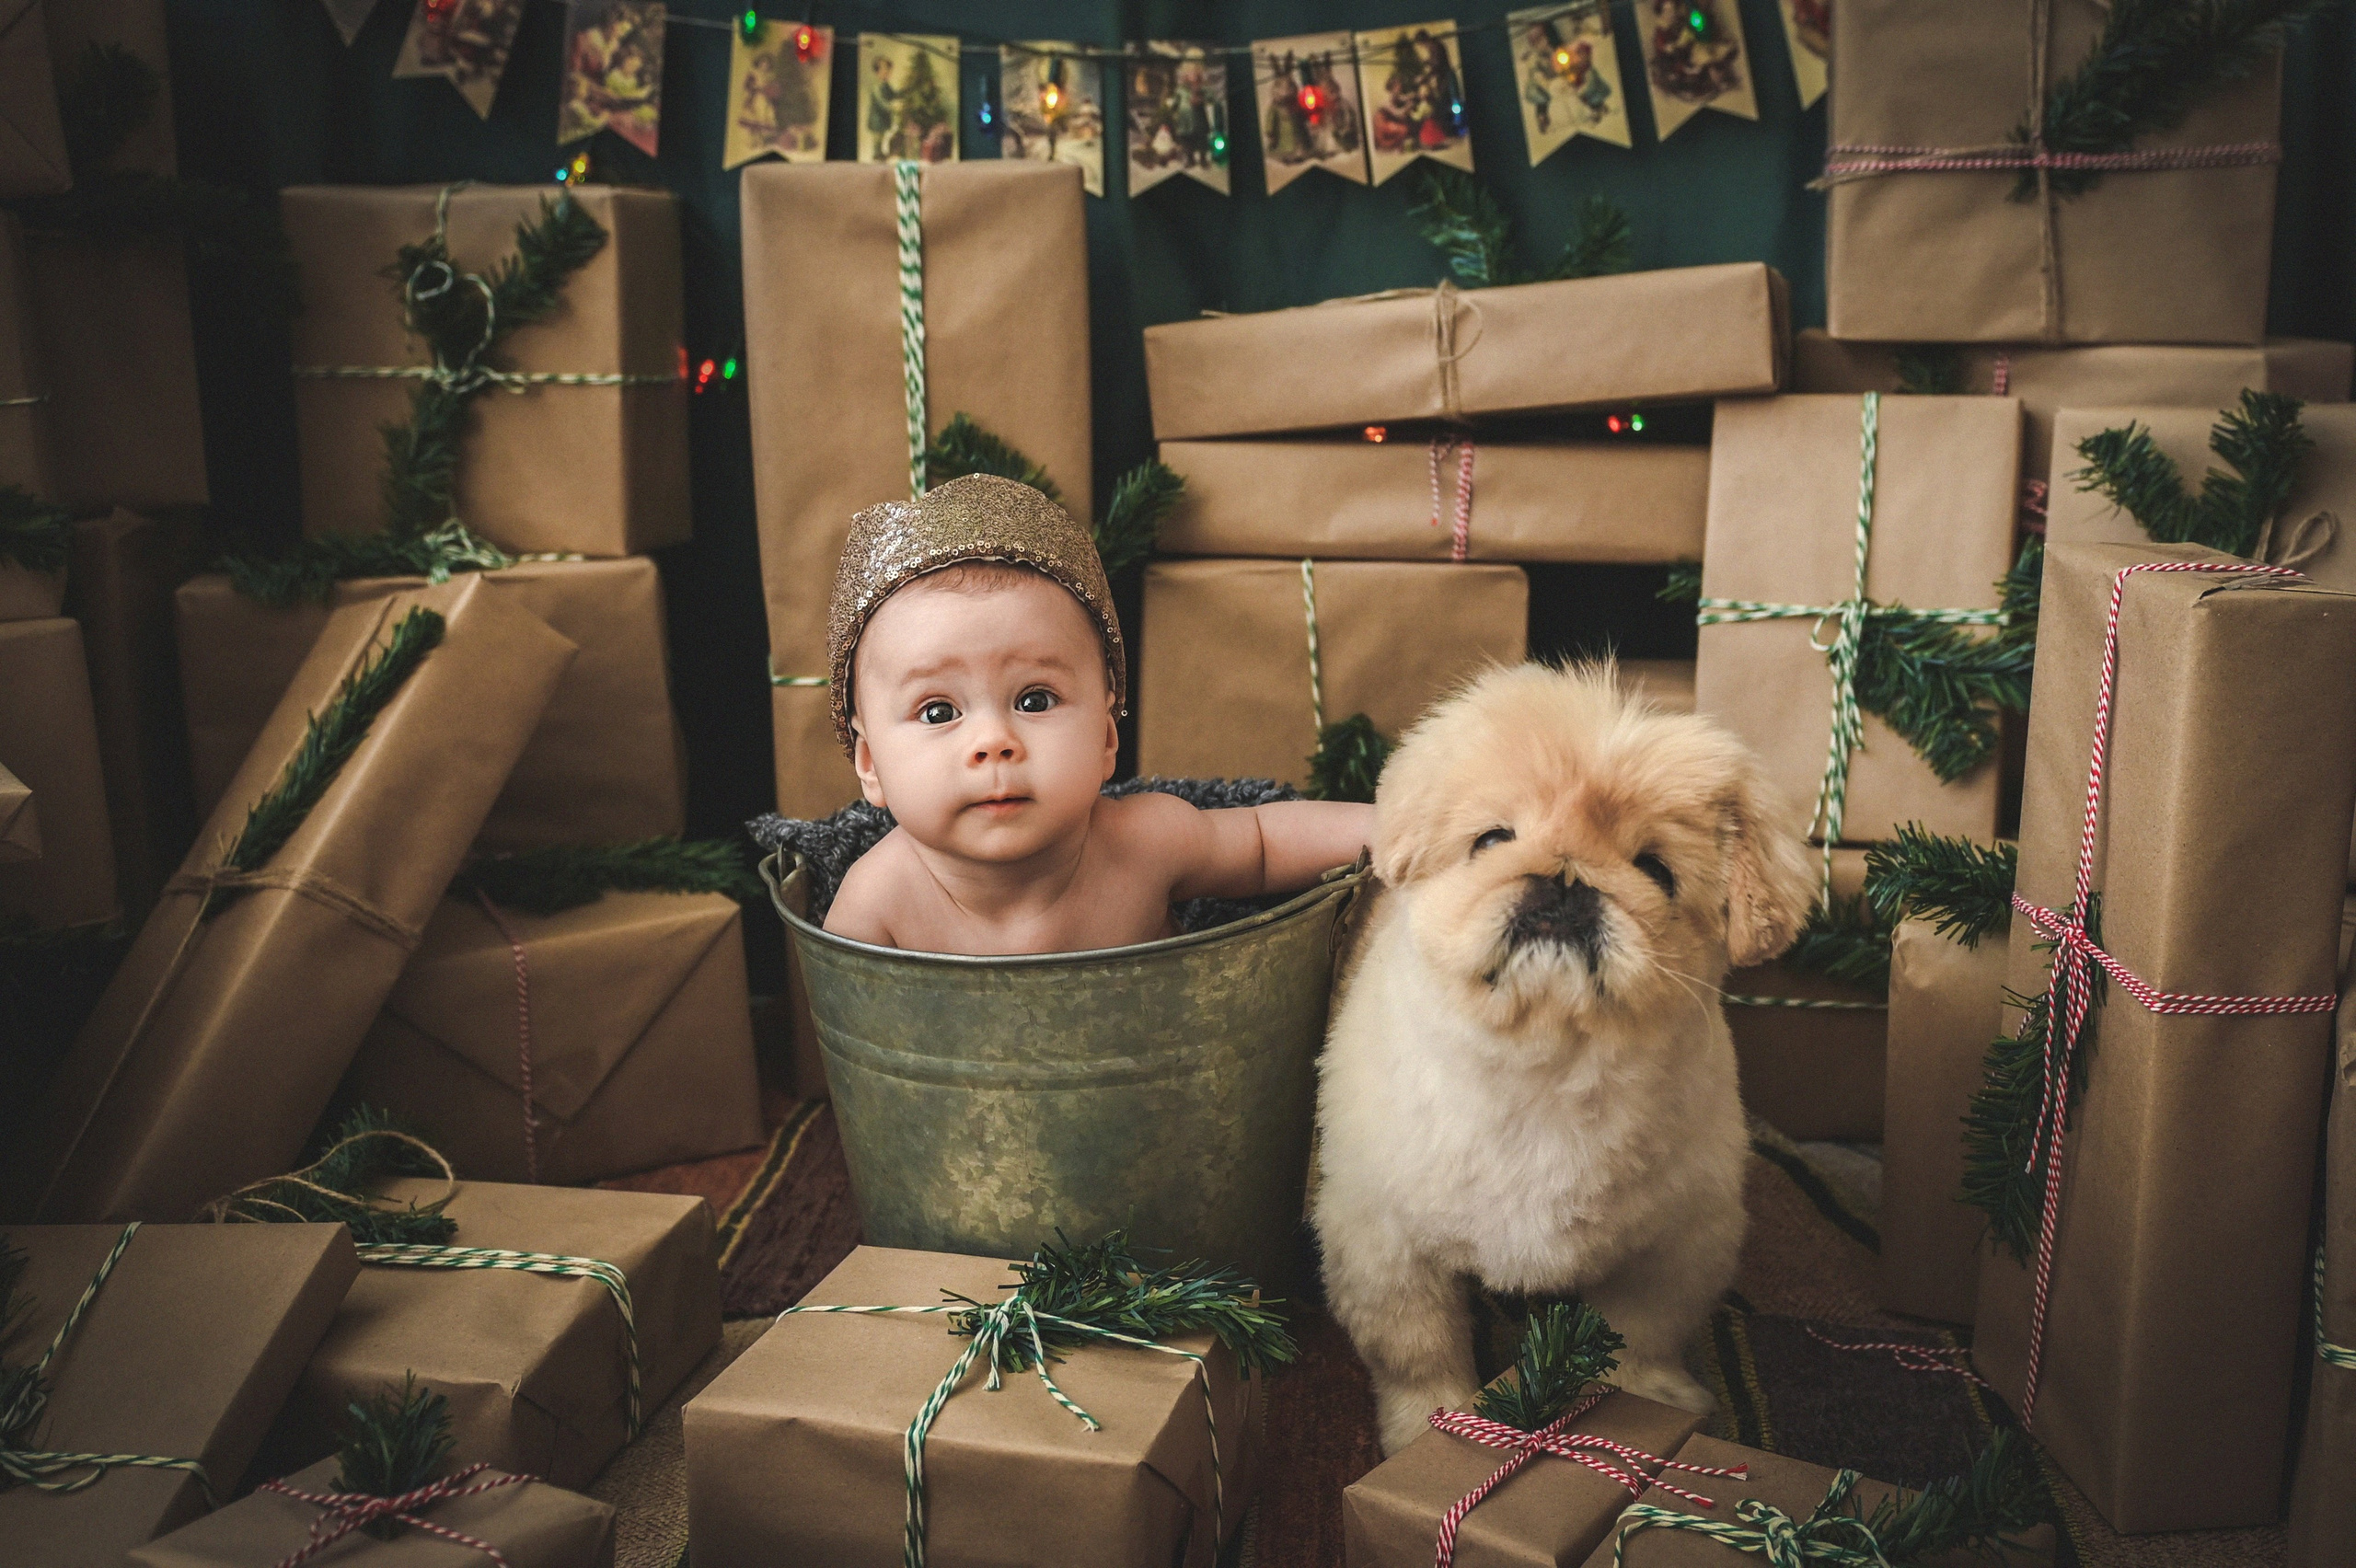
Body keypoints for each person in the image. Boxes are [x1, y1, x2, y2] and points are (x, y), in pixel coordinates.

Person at [822, 476, 1374, 955]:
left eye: (1035, 700)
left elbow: (1260, 842)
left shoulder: (1144, 844)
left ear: (1106, 737)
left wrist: (1398, 827)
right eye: (939, 711)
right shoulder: (876, 903)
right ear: (869, 762)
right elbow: (853, 1040)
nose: (993, 741)